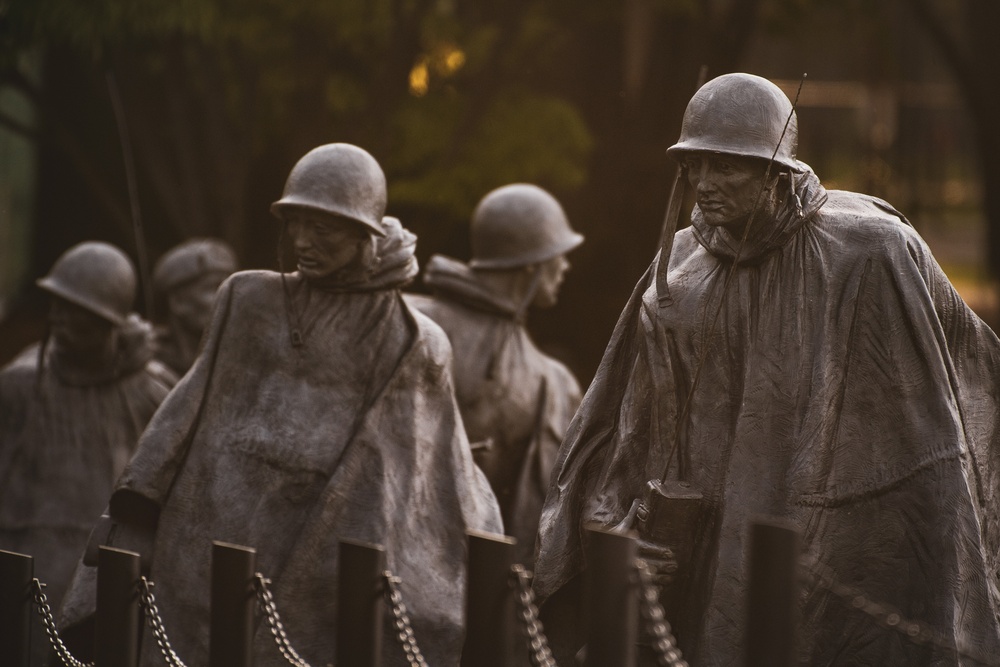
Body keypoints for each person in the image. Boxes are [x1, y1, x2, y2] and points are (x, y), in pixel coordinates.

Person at [533, 73, 1000, 666]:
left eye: (726, 167)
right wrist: (615, 530)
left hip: (824, 556)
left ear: (776, 171)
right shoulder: (677, 267)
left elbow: (935, 437)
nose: (704, 184)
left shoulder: (870, 252)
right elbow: (621, 426)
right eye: (694, 165)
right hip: (691, 555)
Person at [59, 143, 502, 667]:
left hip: (323, 546)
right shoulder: (245, 300)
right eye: (294, 223)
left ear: (366, 232)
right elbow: (190, 405)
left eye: (325, 228)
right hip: (212, 530)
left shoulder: (412, 339)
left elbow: (417, 475)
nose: (302, 241)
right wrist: (138, 502)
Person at [0, 242, 175, 663]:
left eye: (74, 310)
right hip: (25, 568)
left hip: (107, 580)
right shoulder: (18, 387)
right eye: (56, 306)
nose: (58, 319)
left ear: (106, 322)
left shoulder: (154, 396)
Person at [406, 183, 583, 563]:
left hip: (489, 567)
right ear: (533, 262)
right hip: (408, 548)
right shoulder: (413, 324)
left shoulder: (553, 381)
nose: (566, 266)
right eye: (559, 254)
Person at [152, 237, 237, 376]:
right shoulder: (152, 370)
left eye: (230, 287)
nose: (230, 296)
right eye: (214, 287)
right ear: (178, 302)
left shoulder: (238, 359)